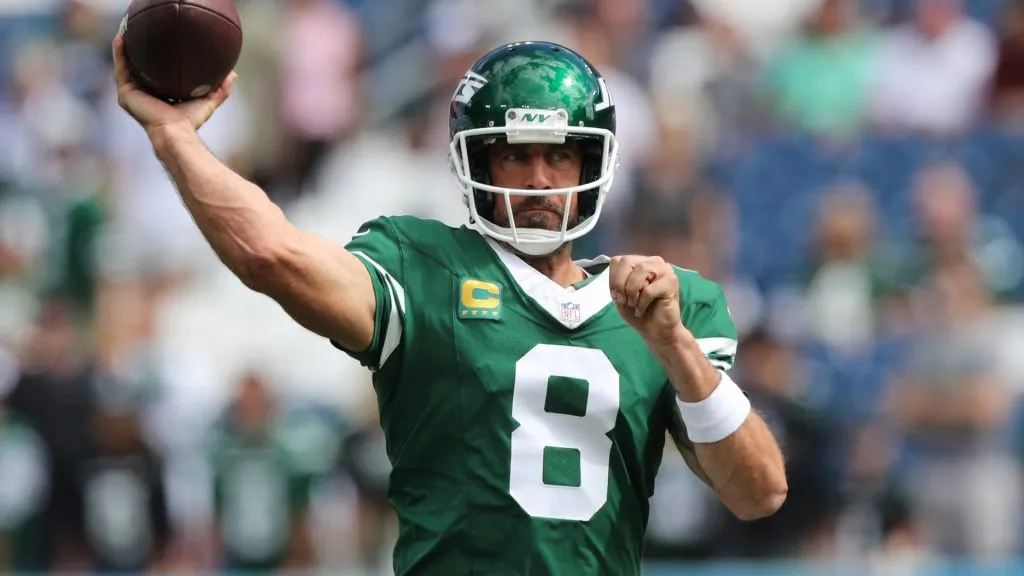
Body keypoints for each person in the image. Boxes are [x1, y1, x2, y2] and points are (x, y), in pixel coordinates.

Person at [111, 35, 787, 575]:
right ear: (478, 165)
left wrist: (674, 346)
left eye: (560, 155)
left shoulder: (673, 308)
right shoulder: (425, 266)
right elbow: (271, 254)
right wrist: (174, 139)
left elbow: (759, 491)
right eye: (514, 156)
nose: (540, 178)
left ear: (594, 165)